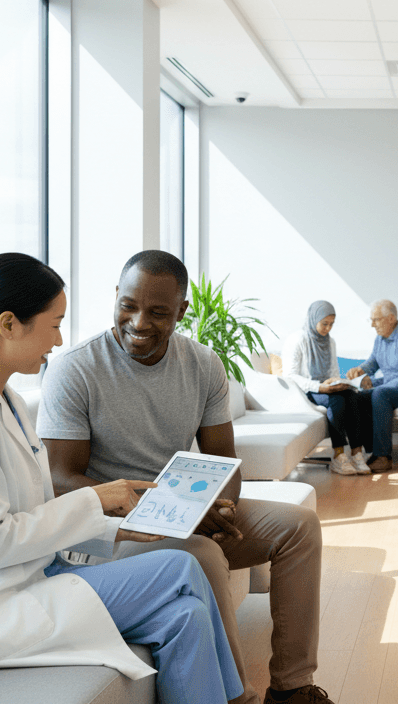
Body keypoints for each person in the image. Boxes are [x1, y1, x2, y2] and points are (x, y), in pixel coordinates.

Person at [0, 253, 242, 704]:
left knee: (186, 616)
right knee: (181, 566)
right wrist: (98, 501)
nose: (59, 340)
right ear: (8, 324)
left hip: (23, 579)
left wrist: (119, 527)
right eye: (54, 323)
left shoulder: (6, 400)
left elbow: (33, 513)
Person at [38, 250, 333, 704]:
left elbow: (224, 459)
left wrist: (219, 505)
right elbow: (61, 480)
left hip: (184, 515)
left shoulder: (203, 365)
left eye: (158, 312)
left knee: (299, 527)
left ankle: (292, 688)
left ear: (182, 311)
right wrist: (173, 515)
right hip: (111, 532)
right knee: (201, 554)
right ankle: (238, 698)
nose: (138, 322)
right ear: (116, 297)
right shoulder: (75, 370)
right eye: (128, 306)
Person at [282, 300, 373, 476]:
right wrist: (319, 387)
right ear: (313, 318)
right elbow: (290, 376)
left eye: (331, 324)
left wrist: (336, 382)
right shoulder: (297, 339)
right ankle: (338, 456)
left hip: (326, 388)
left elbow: (333, 371)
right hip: (306, 391)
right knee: (337, 400)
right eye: (324, 324)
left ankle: (356, 454)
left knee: (353, 396)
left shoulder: (329, 342)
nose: (328, 328)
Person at [344, 299, 398, 473]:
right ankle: (371, 453)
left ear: (391, 319)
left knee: (379, 394)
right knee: (357, 396)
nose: (372, 325)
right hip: (393, 390)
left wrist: (376, 386)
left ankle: (384, 457)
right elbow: (372, 363)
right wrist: (359, 370)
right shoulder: (380, 339)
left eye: (376, 319)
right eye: (371, 320)